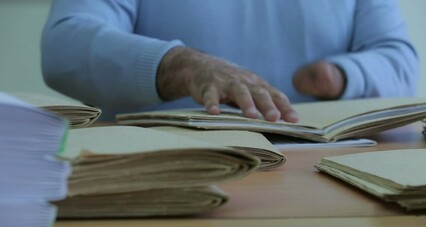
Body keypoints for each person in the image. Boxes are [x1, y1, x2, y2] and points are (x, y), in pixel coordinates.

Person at [41, 0, 418, 122]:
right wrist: (179, 66)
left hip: (326, 172)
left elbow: (400, 60)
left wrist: (345, 75)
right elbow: (63, 45)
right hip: (164, 178)